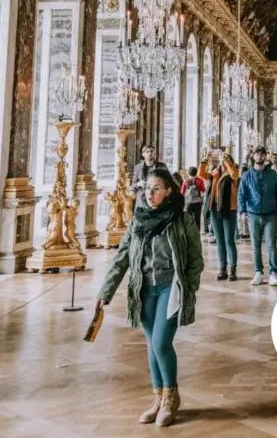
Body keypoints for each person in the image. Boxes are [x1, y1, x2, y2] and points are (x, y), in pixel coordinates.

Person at [96, 166, 204, 428]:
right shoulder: (137, 221)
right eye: (147, 189)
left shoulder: (182, 220)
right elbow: (122, 257)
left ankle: (171, 397)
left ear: (168, 191)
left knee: (160, 344)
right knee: (151, 346)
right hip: (144, 289)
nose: (150, 194)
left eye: (156, 189)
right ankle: (158, 397)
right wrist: (105, 291)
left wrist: (188, 289)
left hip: (171, 288)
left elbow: (195, 261)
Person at [237, 145, 277, 286]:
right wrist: (242, 211)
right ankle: (258, 272)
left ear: (265, 157)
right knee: (255, 246)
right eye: (257, 154)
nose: (259, 156)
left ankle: (273, 273)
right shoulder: (247, 175)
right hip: (253, 214)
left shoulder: (273, 175)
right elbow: (241, 194)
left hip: (270, 214)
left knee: (271, 245)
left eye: (262, 154)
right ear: (253, 156)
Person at [210, 153, 239, 281]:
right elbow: (201, 174)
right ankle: (223, 268)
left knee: (229, 240)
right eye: (221, 160)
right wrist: (205, 159)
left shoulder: (233, 172)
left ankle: (233, 269)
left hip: (229, 209)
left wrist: (227, 160)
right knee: (220, 241)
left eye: (225, 160)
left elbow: (234, 175)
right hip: (215, 209)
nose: (222, 162)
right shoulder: (215, 173)